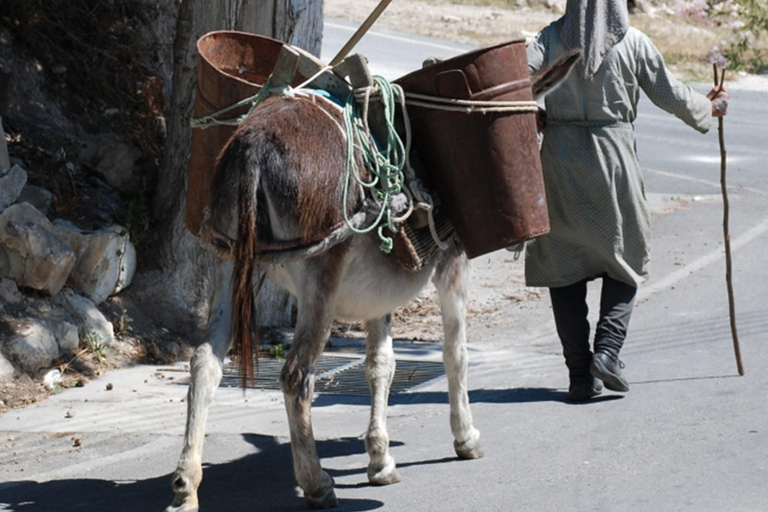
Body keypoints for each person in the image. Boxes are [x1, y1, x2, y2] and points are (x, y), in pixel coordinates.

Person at [524, 0, 729, 401]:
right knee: (627, 254)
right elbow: (670, 95)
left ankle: (580, 375)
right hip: (613, 163)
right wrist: (711, 106)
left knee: (563, 267)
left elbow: (514, 84)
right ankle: (608, 351)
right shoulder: (634, 43)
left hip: (559, 165)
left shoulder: (548, 39)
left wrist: (535, 113)